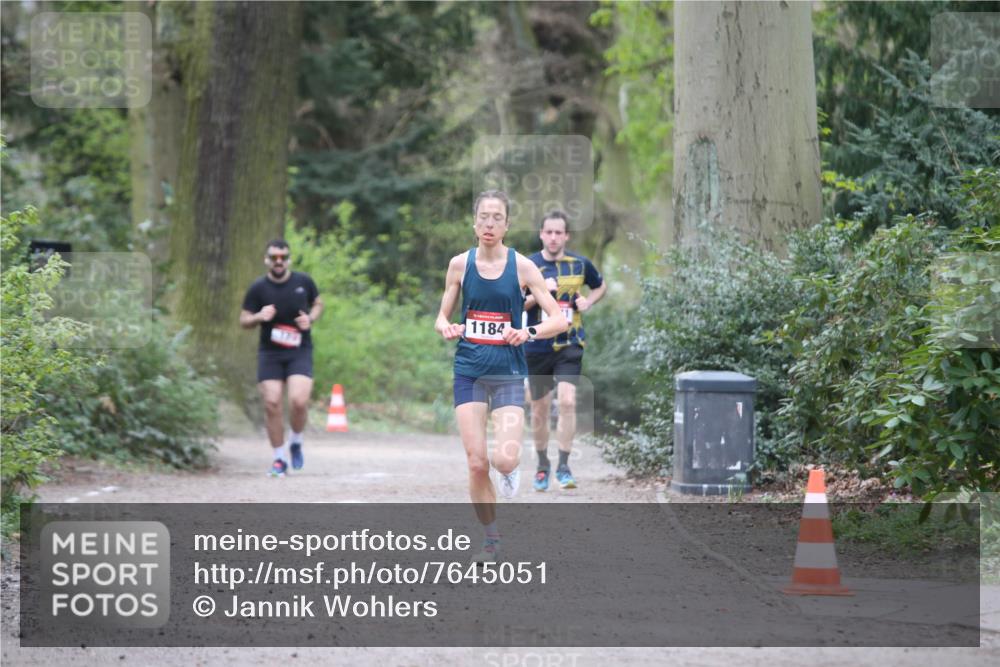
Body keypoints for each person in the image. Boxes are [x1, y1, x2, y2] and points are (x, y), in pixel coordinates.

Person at [435, 190, 568, 562]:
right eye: (484, 217)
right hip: (469, 370)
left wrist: (528, 333)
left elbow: (557, 319)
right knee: (476, 461)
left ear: (507, 224)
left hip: (508, 371)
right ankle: (491, 537)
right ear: (474, 222)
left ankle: (510, 468)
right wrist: (446, 326)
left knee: (503, 461)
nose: (490, 224)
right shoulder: (459, 265)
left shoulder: (524, 267)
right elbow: (441, 316)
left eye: (497, 217)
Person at [523, 210, 607, 491]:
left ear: (567, 236)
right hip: (537, 344)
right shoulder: (528, 266)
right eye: (549, 232)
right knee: (539, 409)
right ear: (541, 234)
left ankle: (564, 466)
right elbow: (516, 305)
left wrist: (589, 302)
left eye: (559, 232)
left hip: (570, 342)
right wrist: (539, 293)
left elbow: (600, 285)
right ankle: (542, 465)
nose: (554, 237)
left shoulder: (580, 264)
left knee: (568, 401)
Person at [240, 239, 323, 477]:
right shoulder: (258, 288)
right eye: (274, 257)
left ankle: (296, 441)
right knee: (272, 402)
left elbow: (318, 303)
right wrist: (258, 316)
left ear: (289, 259)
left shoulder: (303, 282)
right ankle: (279, 459)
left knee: (298, 401)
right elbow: (243, 320)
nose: (279, 262)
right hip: (270, 353)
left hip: (299, 350)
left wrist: (311, 318)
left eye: (283, 257)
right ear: (267, 260)